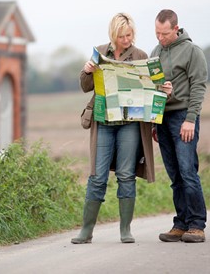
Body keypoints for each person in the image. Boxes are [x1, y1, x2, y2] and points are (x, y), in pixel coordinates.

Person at [71, 12, 172, 244]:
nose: (126, 40)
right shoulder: (100, 52)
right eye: (122, 36)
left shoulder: (141, 56)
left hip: (130, 124)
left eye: (129, 35)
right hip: (103, 122)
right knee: (97, 176)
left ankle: (125, 230)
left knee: (126, 175)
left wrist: (164, 90)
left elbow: (154, 88)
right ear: (113, 35)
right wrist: (87, 71)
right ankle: (86, 231)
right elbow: (86, 86)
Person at [150, 9, 208, 243]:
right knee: (174, 175)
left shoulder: (193, 52)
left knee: (187, 171)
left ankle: (196, 225)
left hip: (183, 117)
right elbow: (152, 86)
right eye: (156, 33)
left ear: (176, 28)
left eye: (164, 34)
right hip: (162, 119)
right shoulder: (155, 52)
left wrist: (190, 119)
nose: (160, 38)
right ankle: (181, 223)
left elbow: (199, 86)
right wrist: (154, 121)